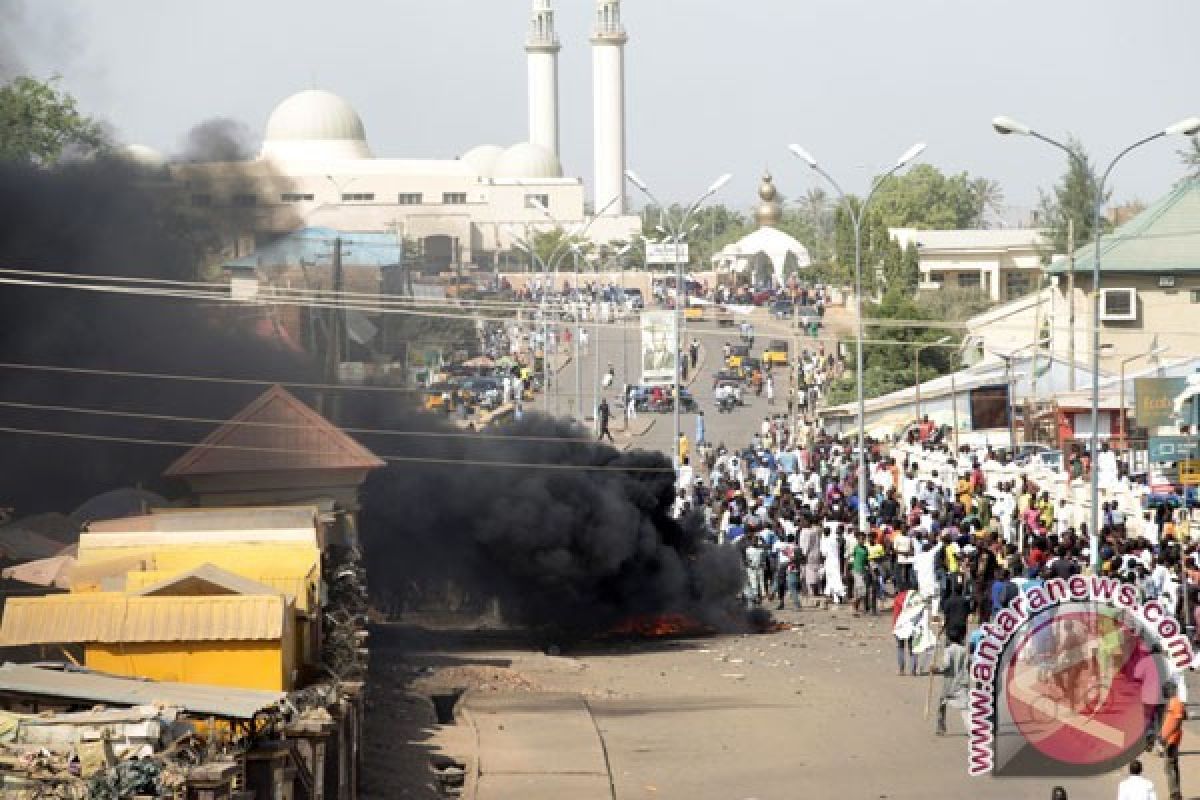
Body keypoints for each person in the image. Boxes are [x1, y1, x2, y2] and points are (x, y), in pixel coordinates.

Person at [1158, 679, 1185, 800]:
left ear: (1170, 690)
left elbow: (1177, 722)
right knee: (1172, 766)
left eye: (1166, 689)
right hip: (1169, 739)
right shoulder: (1173, 702)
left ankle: (1175, 794)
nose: (1164, 692)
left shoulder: (1176, 702)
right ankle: (1176, 793)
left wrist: (1166, 736)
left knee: (1169, 767)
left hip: (1172, 740)